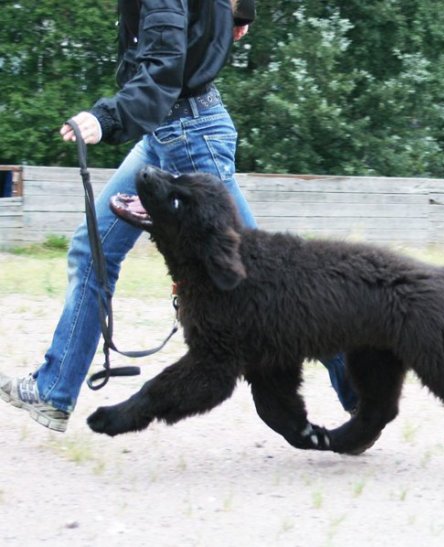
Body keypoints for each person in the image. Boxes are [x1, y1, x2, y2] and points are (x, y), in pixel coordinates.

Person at [0, 0, 357, 433]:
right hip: (169, 130)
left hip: (189, 133)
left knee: (271, 282)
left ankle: (359, 391)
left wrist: (107, 116)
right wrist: (238, 16)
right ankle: (54, 391)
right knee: (91, 249)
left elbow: (164, 67)